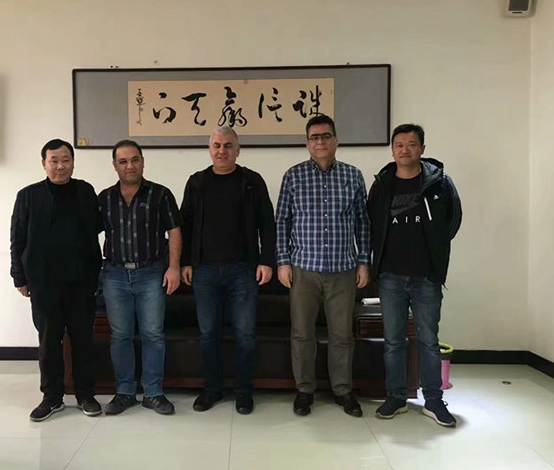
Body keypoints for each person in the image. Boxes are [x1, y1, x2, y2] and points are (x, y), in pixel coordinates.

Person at [276, 114, 370, 417]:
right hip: (303, 268)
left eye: (325, 136)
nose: (320, 142)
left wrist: (363, 261)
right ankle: (304, 390)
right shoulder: (293, 176)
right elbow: (282, 222)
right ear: (307, 143)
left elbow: (363, 222)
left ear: (336, 140)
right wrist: (282, 262)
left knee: (342, 335)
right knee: (302, 334)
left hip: (343, 268)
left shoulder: (353, 176)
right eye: (314, 137)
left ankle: (343, 390)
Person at [368, 123, 462, 427]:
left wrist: (436, 253)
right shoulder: (382, 185)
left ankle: (433, 400)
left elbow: (453, 221)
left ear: (422, 148)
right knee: (393, 340)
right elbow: (371, 223)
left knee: (428, 340)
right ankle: (396, 396)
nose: (404, 150)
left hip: (426, 276)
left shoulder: (439, 183)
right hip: (390, 276)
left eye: (411, 144)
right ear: (392, 150)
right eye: (399, 145)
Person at [180, 126, 276, 415]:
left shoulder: (251, 181)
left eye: (228, 145)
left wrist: (267, 261)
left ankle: (244, 391)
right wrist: (185, 262)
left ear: (238, 150)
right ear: (209, 150)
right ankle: (212, 389)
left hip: (243, 270)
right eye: (217, 145)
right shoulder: (196, 182)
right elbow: (185, 225)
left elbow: (267, 223)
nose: (222, 151)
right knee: (209, 333)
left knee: (245, 333)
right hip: (204, 271)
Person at [10, 138, 102, 422]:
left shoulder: (86, 191)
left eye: (66, 160)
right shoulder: (28, 196)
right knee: (49, 341)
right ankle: (52, 397)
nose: (60, 166)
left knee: (83, 339)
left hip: (81, 282)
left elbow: (96, 231)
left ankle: (85, 394)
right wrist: (19, 276)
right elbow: (17, 238)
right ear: (44, 164)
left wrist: (96, 275)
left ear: (73, 163)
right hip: (43, 282)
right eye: (54, 161)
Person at [99, 139, 182, 416]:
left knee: (153, 335)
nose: (130, 166)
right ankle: (124, 392)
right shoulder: (104, 198)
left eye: (134, 159)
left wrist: (174, 267)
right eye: (123, 161)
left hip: (151, 274)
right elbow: (86, 233)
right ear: (115, 166)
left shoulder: (161, 194)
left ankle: (153, 393)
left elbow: (175, 231)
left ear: (143, 162)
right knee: (120, 336)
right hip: (115, 275)